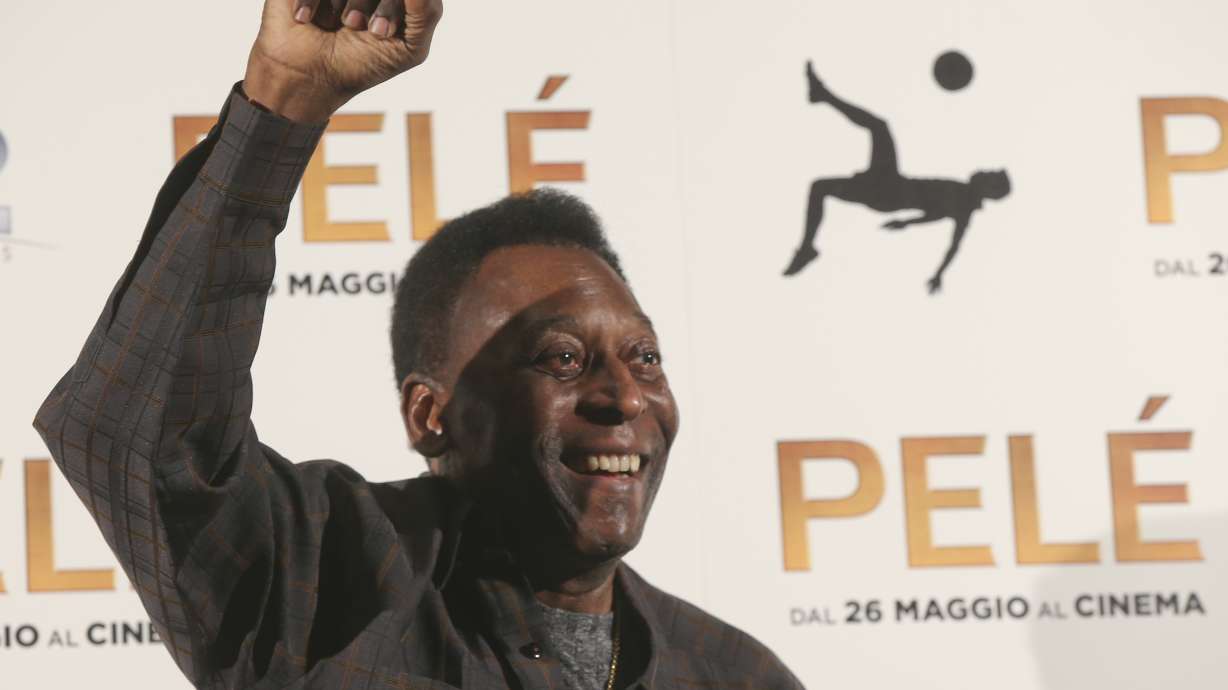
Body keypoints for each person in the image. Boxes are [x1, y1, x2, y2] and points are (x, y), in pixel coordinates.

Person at [32, 1, 803, 688]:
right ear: (431, 415)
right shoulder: (328, 581)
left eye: (645, 358)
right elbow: (137, 433)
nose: (626, 397)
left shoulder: (736, 674)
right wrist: (283, 97)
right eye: (564, 359)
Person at [783, 61, 1011, 294]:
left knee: (879, 128)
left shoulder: (964, 206)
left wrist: (938, 273)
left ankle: (822, 95)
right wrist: (907, 223)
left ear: (989, 189)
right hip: (889, 188)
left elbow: (953, 244)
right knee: (821, 186)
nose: (985, 171)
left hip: (888, 191)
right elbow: (934, 215)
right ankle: (806, 248)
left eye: (990, 175)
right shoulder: (961, 198)